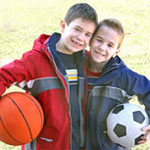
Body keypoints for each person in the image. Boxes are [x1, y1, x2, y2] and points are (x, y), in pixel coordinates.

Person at [0, 3, 98, 150]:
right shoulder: (35, 60)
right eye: (77, 29)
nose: (80, 38)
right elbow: (3, 76)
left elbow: (118, 80)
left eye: (87, 35)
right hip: (44, 145)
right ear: (63, 25)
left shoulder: (89, 62)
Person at [84, 18, 150, 150]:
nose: (102, 47)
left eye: (110, 45)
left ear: (116, 51)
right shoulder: (75, 67)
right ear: (90, 40)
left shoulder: (123, 76)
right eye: (99, 40)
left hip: (109, 146)